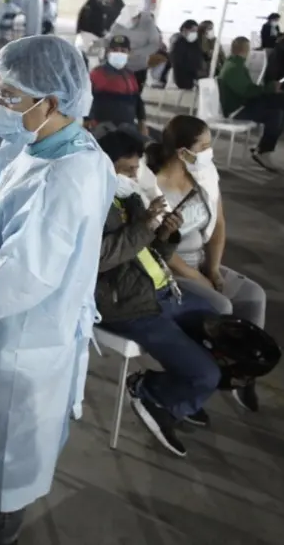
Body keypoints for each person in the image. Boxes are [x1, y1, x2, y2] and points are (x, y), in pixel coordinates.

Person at [0, 35, 115, 545]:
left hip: (26, 336)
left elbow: (14, 282)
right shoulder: (31, 141)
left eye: (10, 96)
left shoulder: (71, 173)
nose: (0, 106)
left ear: (51, 101)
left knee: (8, 458)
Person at [95, 127, 221, 456]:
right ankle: (155, 395)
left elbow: (150, 256)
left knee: (220, 326)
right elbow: (102, 257)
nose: (134, 176)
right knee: (207, 373)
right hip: (128, 306)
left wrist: (165, 235)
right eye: (126, 170)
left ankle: (180, 391)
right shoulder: (89, 203)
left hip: (160, 290)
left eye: (136, 168)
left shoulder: (130, 197)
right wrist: (144, 226)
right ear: (101, 165)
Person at [148, 115, 268, 413]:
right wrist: (198, 278)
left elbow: (218, 226)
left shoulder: (203, 175)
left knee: (253, 296)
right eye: (203, 145)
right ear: (182, 151)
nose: (209, 152)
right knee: (220, 307)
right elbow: (160, 248)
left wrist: (213, 269)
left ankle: (243, 375)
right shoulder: (155, 188)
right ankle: (195, 381)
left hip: (201, 262)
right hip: (169, 269)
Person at [218, 36, 284, 171]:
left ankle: (264, 148)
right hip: (237, 110)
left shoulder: (234, 65)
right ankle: (264, 151)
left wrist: (267, 90)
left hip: (240, 105)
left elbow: (247, 89)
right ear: (245, 50)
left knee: (278, 106)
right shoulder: (234, 68)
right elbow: (247, 91)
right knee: (276, 112)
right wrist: (269, 88)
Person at [88, 35, 146, 133]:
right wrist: (87, 121)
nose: (119, 53)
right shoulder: (97, 74)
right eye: (115, 50)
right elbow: (86, 99)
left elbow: (137, 101)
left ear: (129, 53)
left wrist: (142, 123)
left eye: (123, 51)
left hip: (127, 128)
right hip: (102, 129)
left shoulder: (130, 76)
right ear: (108, 52)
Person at [111, 11, 162, 90]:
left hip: (138, 66)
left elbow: (155, 45)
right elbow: (110, 40)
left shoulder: (150, 28)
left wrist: (136, 53)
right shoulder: (119, 25)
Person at [168, 20, 204, 91]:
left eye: (196, 31)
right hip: (182, 78)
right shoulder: (178, 44)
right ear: (185, 30)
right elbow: (178, 63)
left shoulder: (195, 43)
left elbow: (198, 59)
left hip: (194, 77)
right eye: (193, 31)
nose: (195, 33)